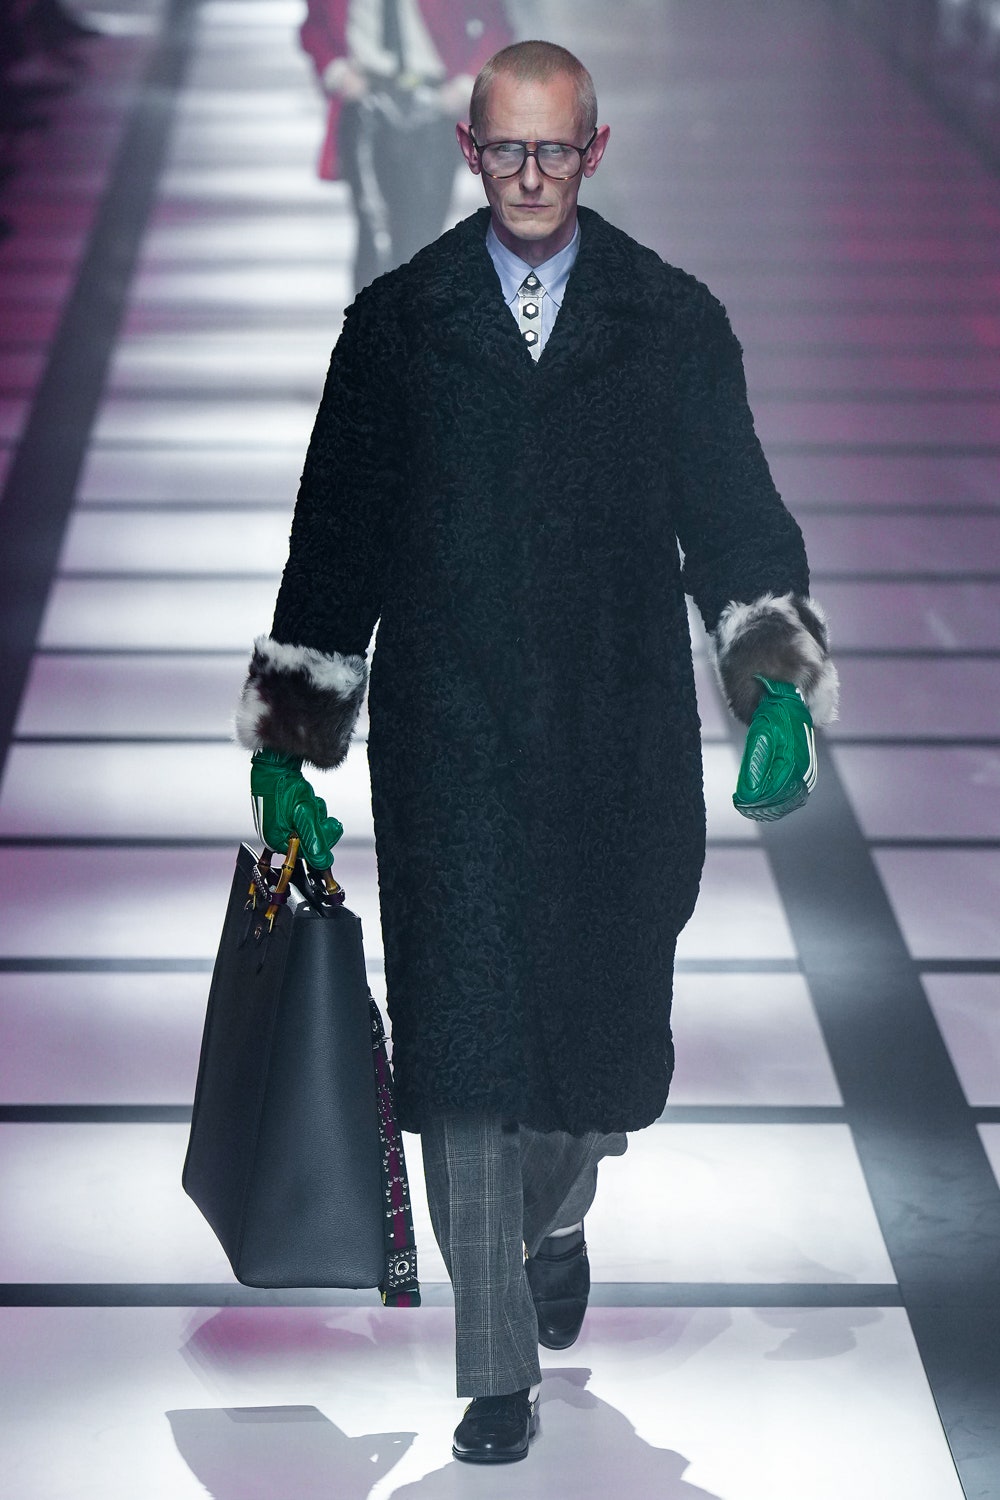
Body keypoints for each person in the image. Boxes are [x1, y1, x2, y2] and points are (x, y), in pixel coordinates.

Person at [236, 39, 839, 1464]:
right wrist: (292, 742)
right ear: (469, 149)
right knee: (463, 1058)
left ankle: (557, 1214)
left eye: (552, 148)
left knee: (594, 1053)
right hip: (449, 742)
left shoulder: (670, 320)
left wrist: (774, 688)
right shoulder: (397, 326)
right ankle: (494, 1366)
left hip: (616, 743)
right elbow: (337, 535)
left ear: (594, 150)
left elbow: (735, 516)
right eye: (505, 147)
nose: (527, 174)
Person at [299, 0, 513, 291]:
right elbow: (314, 25)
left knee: (422, 235)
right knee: (373, 231)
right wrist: (337, 71)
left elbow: (495, 26)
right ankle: (372, 315)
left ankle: (411, 313)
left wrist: (466, 86)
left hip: (436, 106)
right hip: (365, 106)